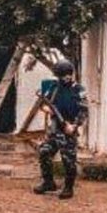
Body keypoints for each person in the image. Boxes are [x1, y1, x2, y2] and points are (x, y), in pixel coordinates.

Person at [33, 58, 87, 200]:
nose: (66, 77)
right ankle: (48, 182)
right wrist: (47, 110)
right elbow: (43, 104)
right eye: (62, 75)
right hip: (55, 128)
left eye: (67, 74)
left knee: (68, 160)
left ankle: (68, 187)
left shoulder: (78, 89)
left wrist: (74, 125)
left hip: (69, 129)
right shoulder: (54, 87)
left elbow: (84, 111)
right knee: (44, 152)